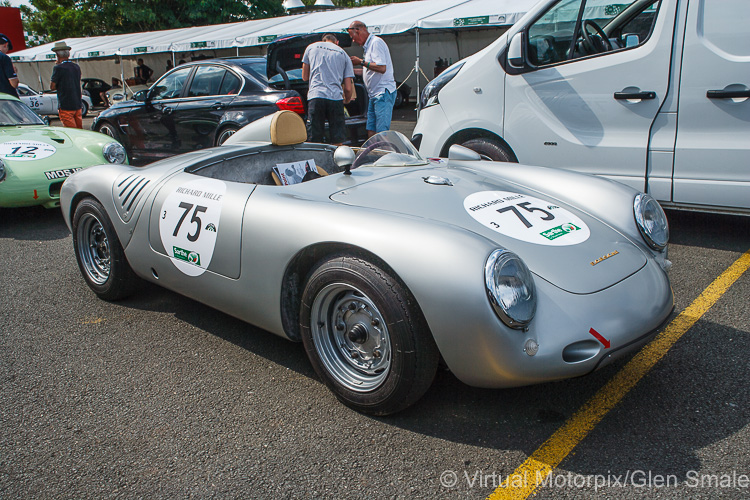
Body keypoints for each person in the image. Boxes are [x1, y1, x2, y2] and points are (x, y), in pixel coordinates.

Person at [301, 33, 354, 145]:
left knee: (314, 138)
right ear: (337, 42)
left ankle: (316, 161)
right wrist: (347, 100)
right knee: (338, 139)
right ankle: (337, 160)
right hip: (335, 98)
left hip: (316, 96)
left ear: (323, 40)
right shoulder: (343, 54)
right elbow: (348, 88)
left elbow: (305, 77)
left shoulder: (311, 47)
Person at [347, 20, 397, 137]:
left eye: (353, 37)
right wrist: (351, 71)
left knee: (381, 132)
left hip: (382, 93)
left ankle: (382, 153)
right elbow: (370, 70)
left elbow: (381, 67)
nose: (353, 41)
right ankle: (373, 153)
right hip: (374, 95)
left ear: (358, 31)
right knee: (371, 129)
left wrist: (360, 61)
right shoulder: (368, 46)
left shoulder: (376, 43)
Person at [49, 41, 83, 129]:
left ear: (57, 54)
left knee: (71, 130)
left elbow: (52, 87)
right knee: (79, 129)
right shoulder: (76, 67)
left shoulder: (58, 68)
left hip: (65, 103)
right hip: (77, 102)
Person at [0, 33, 19, 98]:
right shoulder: (4, 58)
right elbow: (14, 83)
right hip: (6, 98)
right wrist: (14, 72)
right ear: (6, 45)